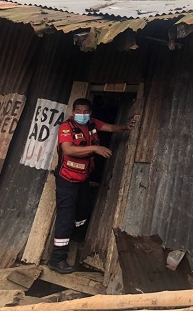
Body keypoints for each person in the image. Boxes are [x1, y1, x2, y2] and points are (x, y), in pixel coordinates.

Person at [49, 97, 137, 274]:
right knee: (65, 216)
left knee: (83, 211)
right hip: (67, 179)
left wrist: (126, 126)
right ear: (73, 112)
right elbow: (68, 149)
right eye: (79, 111)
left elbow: (111, 128)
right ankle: (57, 259)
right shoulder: (67, 127)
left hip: (83, 179)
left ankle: (73, 234)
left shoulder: (91, 124)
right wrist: (95, 149)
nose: (82, 114)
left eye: (86, 111)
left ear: (90, 113)